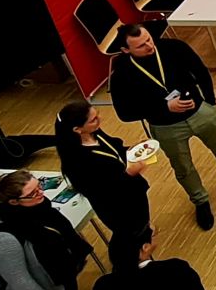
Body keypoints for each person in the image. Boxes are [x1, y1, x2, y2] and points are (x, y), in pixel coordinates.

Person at [108, 24, 216, 230]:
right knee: (183, 167)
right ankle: (200, 201)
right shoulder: (121, 75)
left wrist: (210, 103)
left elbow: (201, 72)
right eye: (141, 46)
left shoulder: (173, 47)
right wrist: (163, 107)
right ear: (125, 50)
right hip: (166, 127)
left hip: (200, 113)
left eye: (149, 39)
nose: (149, 46)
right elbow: (124, 113)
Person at [52, 101, 149, 274]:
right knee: (129, 234)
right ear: (77, 129)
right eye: (93, 119)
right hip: (117, 207)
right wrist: (128, 174)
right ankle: (128, 267)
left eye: (97, 115)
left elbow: (114, 148)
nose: (99, 120)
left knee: (141, 227)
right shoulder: (77, 162)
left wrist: (132, 151)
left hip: (133, 193)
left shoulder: (95, 133)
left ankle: (142, 252)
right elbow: (103, 190)